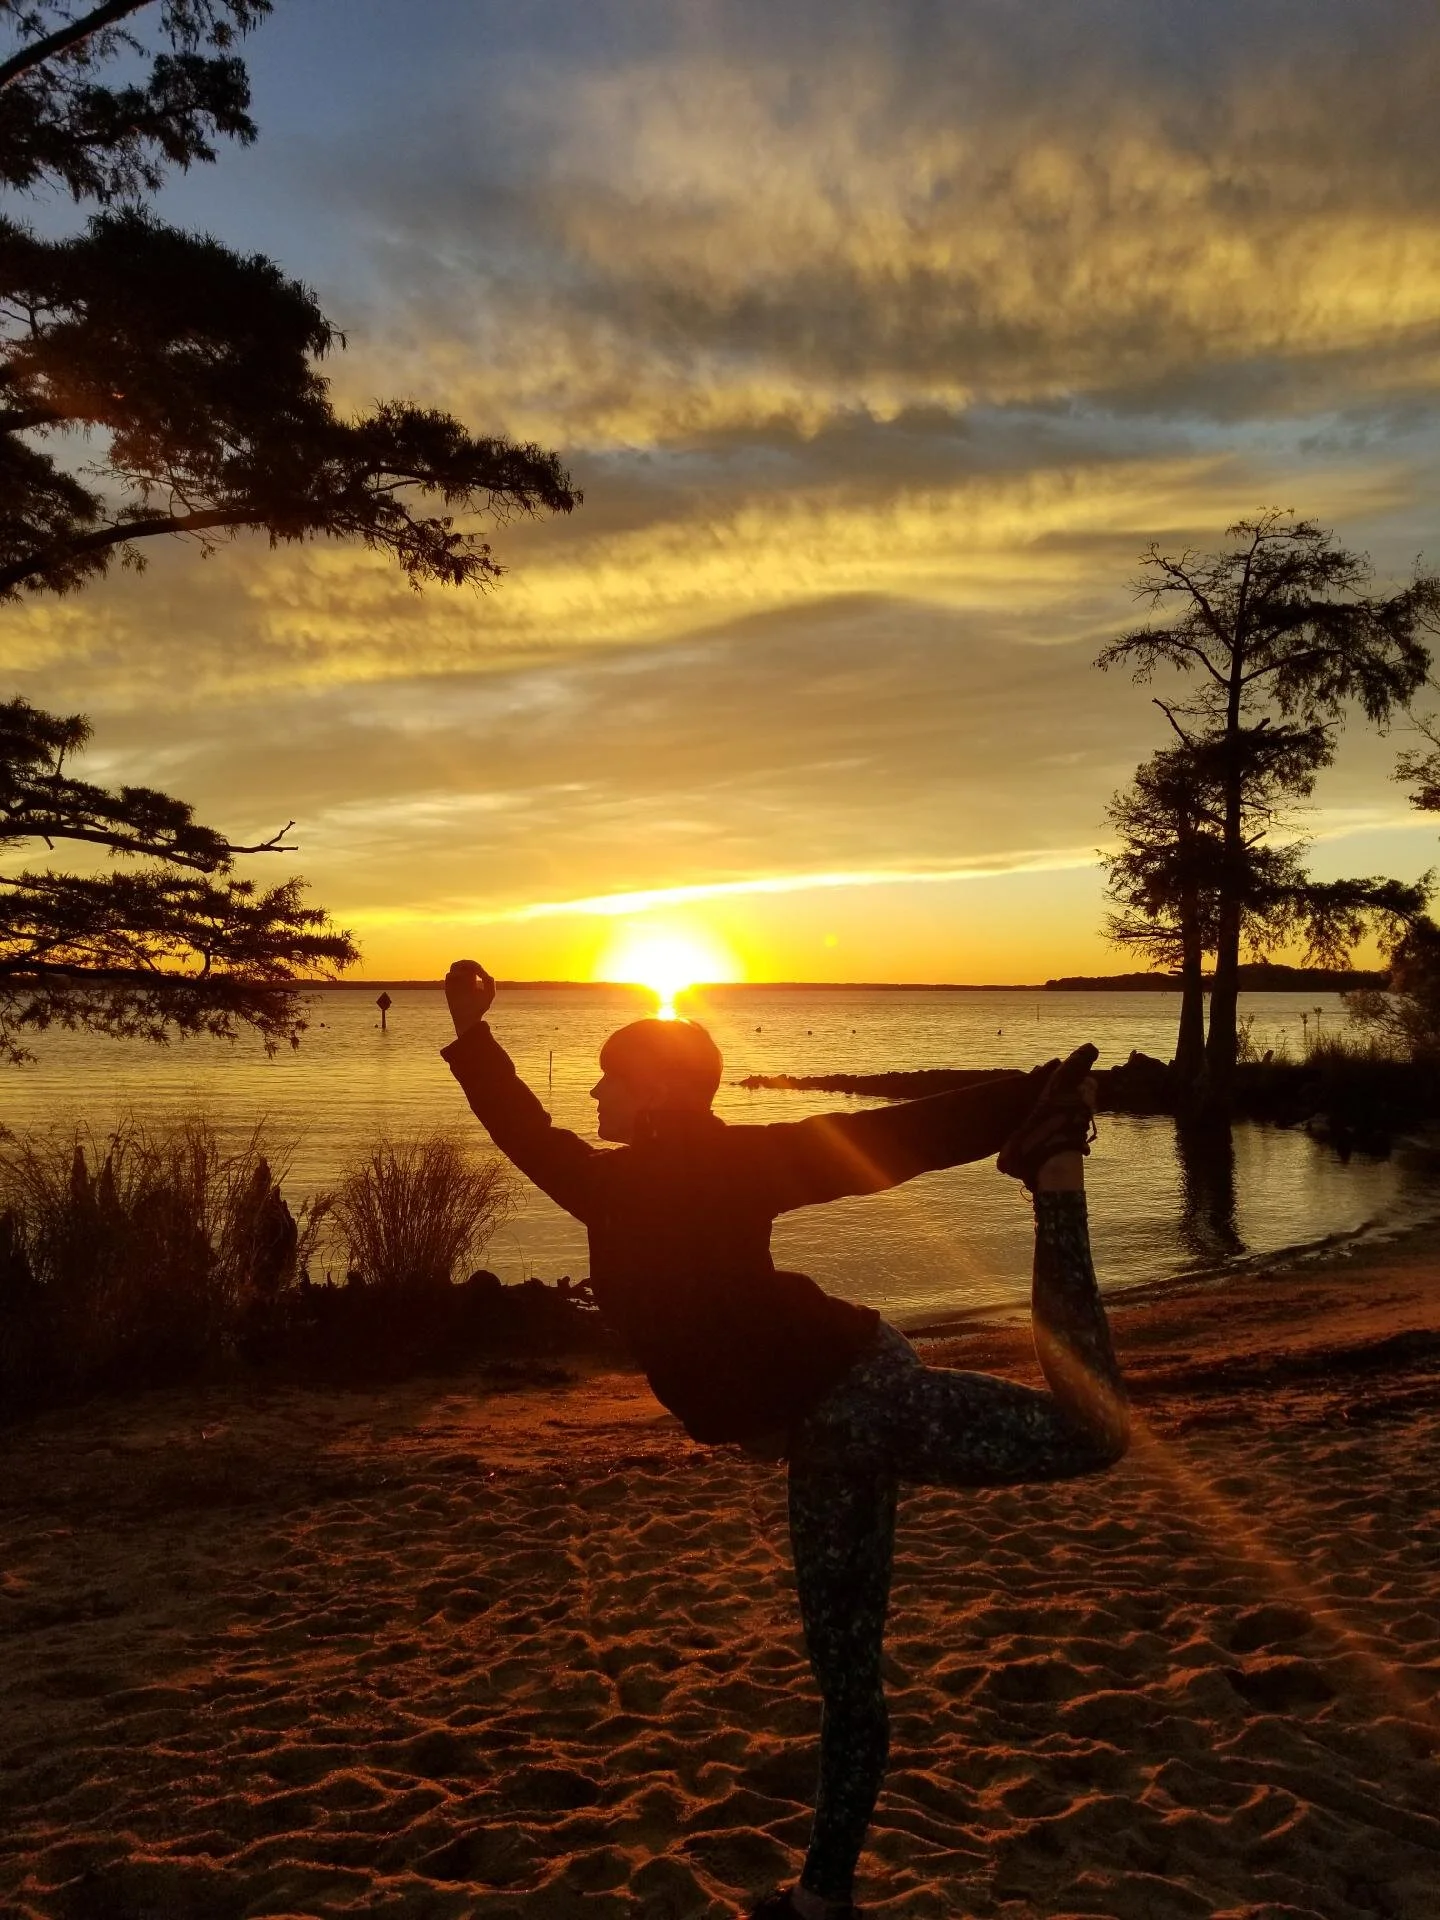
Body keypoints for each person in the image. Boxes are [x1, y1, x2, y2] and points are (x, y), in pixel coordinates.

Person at [440, 961, 1129, 1920]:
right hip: (821, 1429)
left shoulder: (703, 1169)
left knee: (1091, 1435)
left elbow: (880, 1142)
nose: (595, 1089)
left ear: (659, 1090)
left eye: (609, 1074)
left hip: (857, 1395)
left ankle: (1055, 1175)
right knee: (845, 1673)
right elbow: (522, 1126)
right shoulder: (606, 1182)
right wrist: (472, 1035)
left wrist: (1030, 1098)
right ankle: (821, 1900)